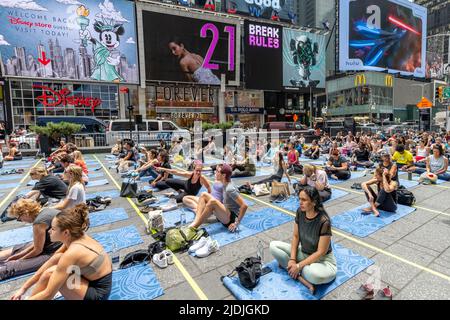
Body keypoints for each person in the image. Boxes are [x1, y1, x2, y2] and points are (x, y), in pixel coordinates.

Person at [11, 204, 112, 300]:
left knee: (52, 274)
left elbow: (48, 294)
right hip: (93, 280)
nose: (49, 231)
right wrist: (23, 288)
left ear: (66, 232)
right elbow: (51, 262)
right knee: (55, 263)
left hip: (98, 294)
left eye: (53, 229)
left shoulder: (72, 252)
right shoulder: (75, 236)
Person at [269, 186, 337, 294]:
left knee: (313, 274)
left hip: (323, 260)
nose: (300, 202)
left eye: (304, 200)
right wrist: (292, 259)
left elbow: (321, 252)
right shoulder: (300, 212)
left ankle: (293, 269)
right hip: (304, 253)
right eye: (299, 199)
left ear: (314, 202)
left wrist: (299, 265)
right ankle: (299, 275)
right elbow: (296, 236)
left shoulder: (324, 221)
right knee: (273, 246)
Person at [0, 199, 62, 281]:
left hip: (54, 253)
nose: (21, 221)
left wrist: (21, 259)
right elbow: (36, 246)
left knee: (10, 267)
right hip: (56, 246)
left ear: (25, 213)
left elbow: (37, 250)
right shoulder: (47, 210)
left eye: (19, 219)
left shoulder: (39, 223)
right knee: (20, 248)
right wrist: (18, 255)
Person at [189, 164, 247, 232]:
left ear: (224, 175)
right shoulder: (225, 183)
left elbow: (244, 206)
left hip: (230, 219)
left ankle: (194, 227)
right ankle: (196, 221)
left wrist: (236, 223)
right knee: (203, 194)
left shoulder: (229, 188)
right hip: (225, 212)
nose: (215, 173)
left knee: (213, 202)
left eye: (218, 172)